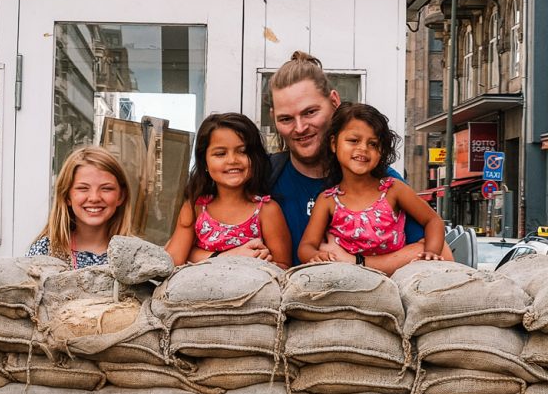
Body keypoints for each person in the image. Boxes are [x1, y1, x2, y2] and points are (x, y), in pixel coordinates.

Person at [268, 51, 447, 272]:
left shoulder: (383, 182)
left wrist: (356, 263)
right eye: (286, 119)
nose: (300, 127)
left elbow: (443, 255)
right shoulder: (262, 176)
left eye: (310, 112)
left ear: (334, 101)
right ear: (273, 118)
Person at [298, 102, 445, 268]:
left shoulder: (393, 189)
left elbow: (433, 220)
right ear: (334, 144)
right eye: (353, 140)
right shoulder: (327, 200)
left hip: (394, 279)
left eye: (373, 144)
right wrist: (316, 255)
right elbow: (306, 246)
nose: (363, 149)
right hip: (348, 281)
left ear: (381, 151)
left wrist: (432, 251)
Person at [166, 112, 292, 268]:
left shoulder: (267, 210)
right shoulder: (195, 208)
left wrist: (261, 263)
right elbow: (172, 261)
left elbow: (283, 266)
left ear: (256, 158)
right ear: (204, 161)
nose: (232, 160)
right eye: (220, 154)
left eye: (243, 151)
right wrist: (228, 257)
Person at [28, 146, 133, 267]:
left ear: (121, 196)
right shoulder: (45, 251)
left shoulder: (135, 254)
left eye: (106, 188)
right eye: (83, 188)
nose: (94, 198)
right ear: (67, 196)